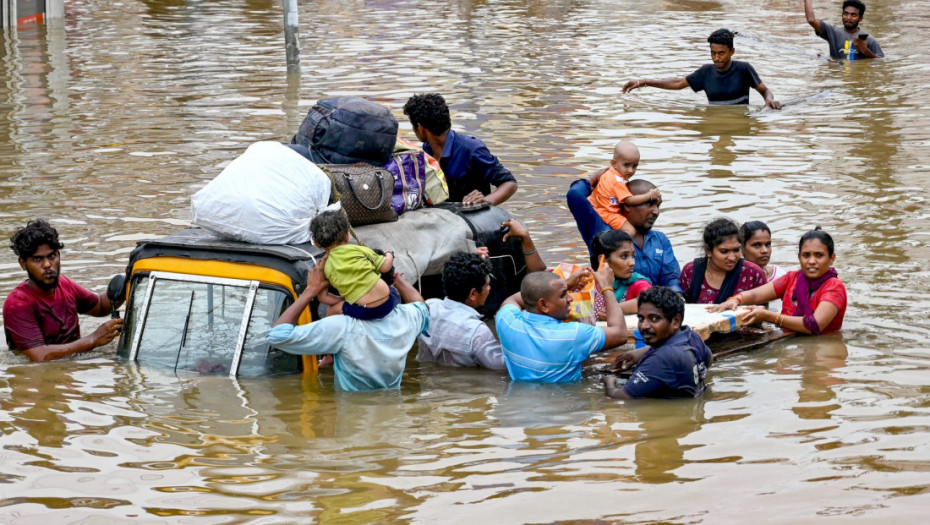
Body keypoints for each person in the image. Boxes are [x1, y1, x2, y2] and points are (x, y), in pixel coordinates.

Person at [267, 264, 429, 391]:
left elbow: (277, 336)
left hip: (352, 416)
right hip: (393, 415)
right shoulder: (408, 318)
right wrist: (398, 280)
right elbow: (422, 307)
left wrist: (310, 291)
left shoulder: (343, 327)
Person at [417, 219, 546, 369]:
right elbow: (505, 368)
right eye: (487, 284)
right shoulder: (477, 332)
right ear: (473, 294)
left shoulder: (429, 307)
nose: (489, 289)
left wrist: (470, 262)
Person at [3, 219, 123, 362]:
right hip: (41, 378)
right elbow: (40, 356)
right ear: (23, 263)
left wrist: (130, 281)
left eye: (52, 256)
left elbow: (101, 307)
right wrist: (93, 339)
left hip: (71, 370)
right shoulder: (18, 303)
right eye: (37, 259)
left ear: (59, 255)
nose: (47, 264)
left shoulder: (64, 284)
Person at [494, 266, 628, 383]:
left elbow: (512, 299)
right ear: (543, 305)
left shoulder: (507, 322)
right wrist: (606, 287)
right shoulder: (573, 335)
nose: (570, 298)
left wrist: (563, 285)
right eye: (563, 295)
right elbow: (620, 334)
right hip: (565, 405)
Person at [708, 228, 847, 335]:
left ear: (832, 258)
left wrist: (770, 317)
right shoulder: (792, 278)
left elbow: (815, 325)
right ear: (799, 257)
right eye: (806, 255)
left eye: (819, 255)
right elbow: (756, 295)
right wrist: (736, 300)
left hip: (822, 353)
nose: (811, 261)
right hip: (790, 345)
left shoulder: (834, 286)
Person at [567, 177, 683, 293]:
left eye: (658, 206)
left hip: (656, 306)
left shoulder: (660, 239)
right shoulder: (603, 233)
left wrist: (678, 297)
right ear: (627, 204)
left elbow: (671, 278)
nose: (656, 212)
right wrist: (594, 179)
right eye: (650, 203)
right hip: (611, 306)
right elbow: (574, 195)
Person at [403, 93, 517, 205]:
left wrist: (485, 201)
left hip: (472, 217)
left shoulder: (472, 149)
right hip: (444, 215)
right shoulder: (427, 149)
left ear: (420, 128)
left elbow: (509, 183)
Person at [622, 29, 782, 109]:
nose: (716, 58)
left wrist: (769, 101)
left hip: (740, 119)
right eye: (713, 53)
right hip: (714, 117)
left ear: (732, 52)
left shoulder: (744, 69)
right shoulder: (706, 73)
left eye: (721, 53)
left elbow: (765, 91)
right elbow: (678, 83)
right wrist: (643, 82)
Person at [602, 286, 712, 399]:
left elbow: (620, 397)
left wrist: (609, 382)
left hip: (670, 414)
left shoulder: (661, 358)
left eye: (654, 319)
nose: (644, 325)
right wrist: (645, 352)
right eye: (641, 318)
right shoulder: (691, 335)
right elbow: (709, 359)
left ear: (675, 321)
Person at [310, 211, 397, 320]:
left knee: (331, 311)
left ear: (317, 244)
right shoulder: (358, 249)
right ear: (347, 236)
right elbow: (385, 267)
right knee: (392, 289)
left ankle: (331, 331)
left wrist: (347, 300)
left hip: (364, 311)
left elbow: (323, 298)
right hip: (389, 301)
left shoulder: (323, 268)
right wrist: (389, 255)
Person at [680, 218, 767, 304]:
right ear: (708, 250)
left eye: (736, 250)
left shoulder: (753, 273)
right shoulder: (690, 271)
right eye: (724, 251)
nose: (732, 258)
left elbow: (763, 311)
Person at [587, 141, 661, 235]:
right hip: (608, 212)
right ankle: (620, 247)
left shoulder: (607, 173)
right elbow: (629, 200)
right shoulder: (618, 181)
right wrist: (649, 196)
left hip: (596, 207)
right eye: (626, 165)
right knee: (630, 231)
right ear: (614, 163)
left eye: (634, 166)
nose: (630, 170)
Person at [590, 229, 653, 318]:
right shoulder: (587, 284)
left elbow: (652, 301)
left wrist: (616, 309)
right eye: (624, 256)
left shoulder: (638, 283)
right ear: (602, 259)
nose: (632, 262)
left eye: (632, 256)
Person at [804, 0, 884, 60]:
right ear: (842, 15)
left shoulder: (869, 40)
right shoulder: (833, 32)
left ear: (861, 18)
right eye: (846, 14)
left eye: (853, 15)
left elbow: (881, 61)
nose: (848, 18)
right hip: (837, 78)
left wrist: (866, 51)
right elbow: (811, 20)